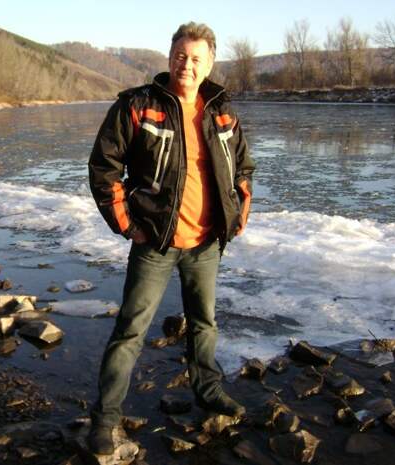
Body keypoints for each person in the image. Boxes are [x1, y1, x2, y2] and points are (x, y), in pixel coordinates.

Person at [87, 21, 255, 454]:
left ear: (209, 64)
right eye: (181, 56)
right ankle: (105, 418)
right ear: (169, 57)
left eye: (196, 58)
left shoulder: (221, 110)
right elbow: (104, 167)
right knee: (130, 330)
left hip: (207, 243)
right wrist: (129, 225)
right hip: (156, 244)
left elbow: (242, 168)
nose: (187, 65)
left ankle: (208, 390)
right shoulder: (137, 105)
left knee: (204, 324)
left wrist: (238, 213)